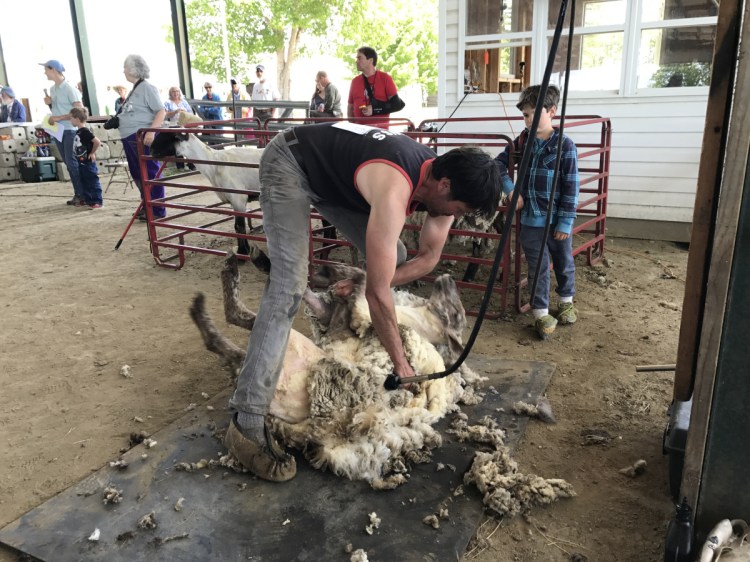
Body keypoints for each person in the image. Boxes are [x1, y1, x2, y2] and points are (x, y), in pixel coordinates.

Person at [224, 122, 501, 481]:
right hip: (291, 161)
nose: (455, 217)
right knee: (288, 286)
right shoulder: (395, 187)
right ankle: (246, 420)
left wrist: (369, 280)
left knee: (396, 253)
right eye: (459, 209)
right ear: (444, 185)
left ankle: (346, 295)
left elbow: (428, 258)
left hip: (332, 180)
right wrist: (402, 364)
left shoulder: (442, 186)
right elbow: (380, 295)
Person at [495, 84, 580, 340]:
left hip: (557, 222)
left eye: (533, 113)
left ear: (552, 111)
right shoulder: (522, 141)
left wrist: (565, 222)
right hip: (532, 220)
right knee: (538, 265)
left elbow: (571, 185)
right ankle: (540, 313)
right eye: (525, 115)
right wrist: (510, 190)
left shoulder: (565, 146)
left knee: (564, 262)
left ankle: (566, 300)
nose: (528, 120)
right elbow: (498, 164)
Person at [117, 54, 167, 220]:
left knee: (150, 171)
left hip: (141, 136)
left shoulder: (146, 88)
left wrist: (152, 131)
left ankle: (157, 209)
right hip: (131, 136)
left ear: (133, 69)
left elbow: (161, 111)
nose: (123, 71)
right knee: (138, 173)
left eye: (125, 67)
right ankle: (147, 205)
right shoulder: (136, 89)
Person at [41, 59, 85, 206]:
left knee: (72, 163)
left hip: (70, 130)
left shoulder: (70, 89)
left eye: (46, 69)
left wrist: (59, 117)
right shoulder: (53, 89)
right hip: (59, 130)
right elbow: (57, 109)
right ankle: (79, 193)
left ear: (53, 69)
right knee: (68, 162)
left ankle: (81, 194)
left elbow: (80, 110)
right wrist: (50, 105)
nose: (44, 72)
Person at [347, 46, 399, 125]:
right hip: (359, 131)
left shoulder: (385, 78)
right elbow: (350, 106)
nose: (356, 61)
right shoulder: (355, 81)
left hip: (380, 132)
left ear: (370, 60)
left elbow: (397, 104)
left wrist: (375, 109)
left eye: (359, 58)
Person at [69, 107, 103, 209]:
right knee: (85, 180)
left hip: (87, 162)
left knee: (92, 180)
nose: (70, 120)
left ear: (77, 119)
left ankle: (97, 200)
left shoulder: (84, 131)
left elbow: (97, 141)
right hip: (81, 161)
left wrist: (92, 153)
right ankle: (89, 200)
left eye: (71, 118)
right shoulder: (79, 132)